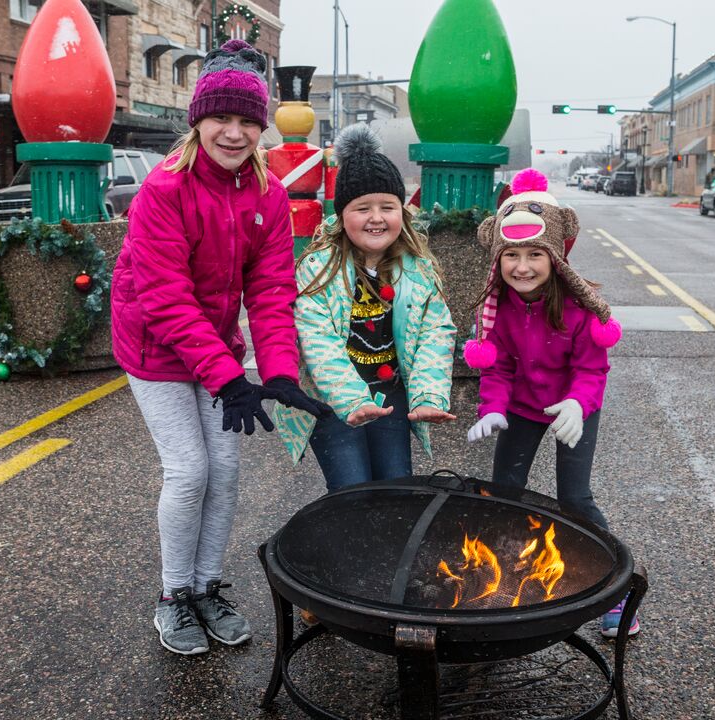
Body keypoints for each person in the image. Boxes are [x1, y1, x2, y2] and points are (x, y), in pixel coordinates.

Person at [110, 39, 330, 656]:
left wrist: (280, 373)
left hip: (214, 345)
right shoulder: (164, 189)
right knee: (189, 471)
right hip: (155, 346)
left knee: (227, 471)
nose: (233, 133)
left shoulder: (265, 195)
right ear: (198, 121)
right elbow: (166, 296)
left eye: (246, 121)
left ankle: (208, 585)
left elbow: (270, 290)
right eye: (221, 119)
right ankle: (173, 596)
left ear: (261, 127)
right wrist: (229, 378)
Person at [462, 168, 636, 637]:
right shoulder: (495, 306)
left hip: (572, 408)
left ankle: (620, 595)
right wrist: (492, 408)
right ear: (497, 259)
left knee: (575, 499)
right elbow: (496, 367)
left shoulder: (580, 308)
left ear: (555, 256)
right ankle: (497, 576)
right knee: (505, 490)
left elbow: (591, 369)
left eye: (535, 254)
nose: (522, 266)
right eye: (511, 255)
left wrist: (579, 404)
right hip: (520, 406)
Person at [274, 124, 457, 491]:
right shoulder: (318, 270)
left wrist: (426, 395)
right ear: (342, 215)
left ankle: (389, 547)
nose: (376, 217)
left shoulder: (417, 270)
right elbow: (318, 342)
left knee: (396, 488)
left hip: (391, 395)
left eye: (387, 207)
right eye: (362, 208)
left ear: (401, 214)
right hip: (332, 399)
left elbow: (434, 336)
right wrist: (351, 399)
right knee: (351, 491)